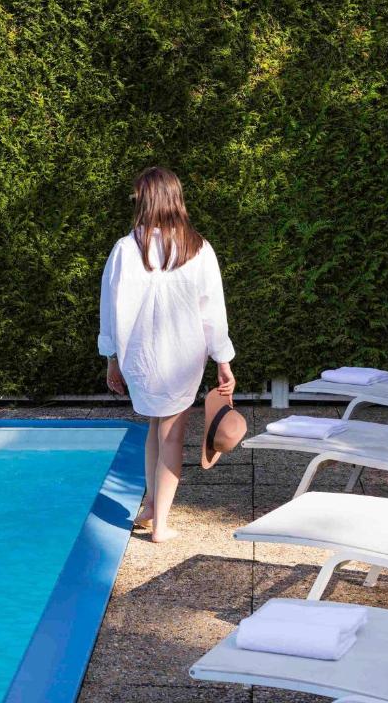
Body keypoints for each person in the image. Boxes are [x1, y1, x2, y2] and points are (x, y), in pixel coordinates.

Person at [98, 167, 236, 542]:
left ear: (145, 201)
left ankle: (150, 507)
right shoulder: (198, 248)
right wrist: (223, 360)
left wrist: (111, 357)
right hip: (182, 356)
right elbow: (213, 311)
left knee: (156, 429)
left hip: (140, 358)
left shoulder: (126, 249)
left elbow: (108, 309)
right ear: (176, 199)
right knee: (171, 434)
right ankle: (160, 525)